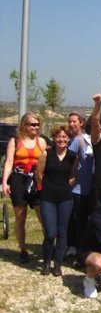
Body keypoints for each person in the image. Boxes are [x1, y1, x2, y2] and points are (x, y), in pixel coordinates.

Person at [1, 112, 48, 262]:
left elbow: (47, 163)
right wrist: (4, 182)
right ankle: (22, 249)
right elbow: (8, 162)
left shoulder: (41, 142)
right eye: (32, 124)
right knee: (20, 218)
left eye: (37, 124)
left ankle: (47, 247)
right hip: (19, 180)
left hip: (36, 180)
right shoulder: (15, 141)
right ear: (24, 126)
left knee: (43, 217)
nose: (35, 127)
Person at [35, 124, 77, 276]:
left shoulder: (73, 156)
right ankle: (46, 261)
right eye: (58, 137)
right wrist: (47, 187)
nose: (61, 139)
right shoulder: (46, 154)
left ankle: (57, 264)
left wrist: (68, 185)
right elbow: (39, 174)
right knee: (50, 233)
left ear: (68, 139)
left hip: (66, 198)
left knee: (62, 232)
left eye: (64, 137)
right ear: (54, 138)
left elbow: (73, 175)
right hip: (48, 198)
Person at [66, 112, 92, 257]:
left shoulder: (87, 139)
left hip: (91, 187)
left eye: (74, 121)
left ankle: (83, 246)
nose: (71, 124)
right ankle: (73, 245)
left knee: (85, 219)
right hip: (77, 188)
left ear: (82, 123)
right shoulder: (75, 141)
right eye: (69, 121)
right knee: (76, 218)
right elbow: (68, 162)